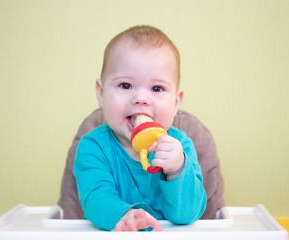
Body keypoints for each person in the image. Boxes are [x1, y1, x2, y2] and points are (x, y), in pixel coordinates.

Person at [73, 25, 207, 231]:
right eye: (126, 85)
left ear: (176, 101)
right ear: (101, 93)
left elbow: (187, 215)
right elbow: (96, 197)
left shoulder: (180, 146)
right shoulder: (93, 147)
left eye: (157, 88)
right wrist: (123, 215)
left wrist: (178, 170)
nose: (141, 99)